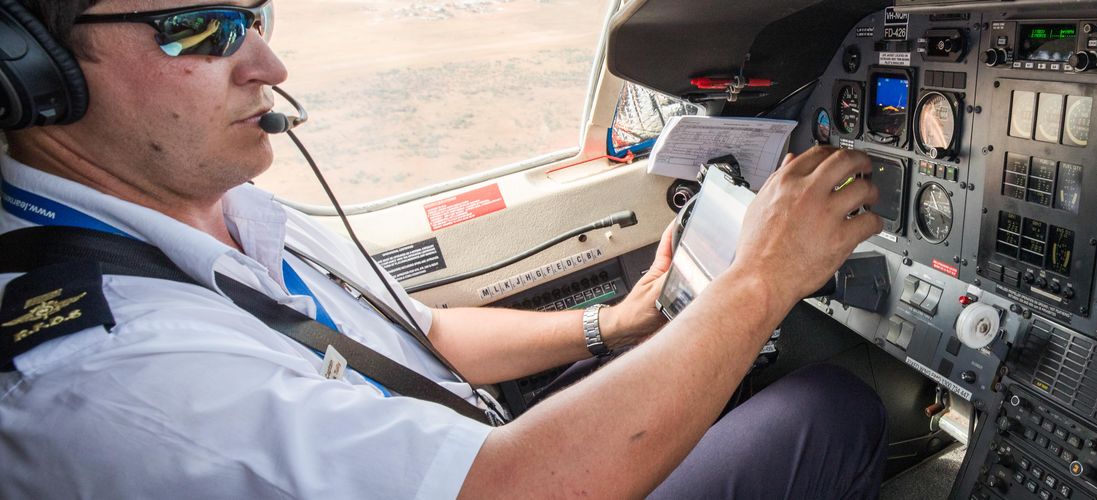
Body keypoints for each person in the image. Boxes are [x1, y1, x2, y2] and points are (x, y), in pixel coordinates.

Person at [0, 0, 888, 497]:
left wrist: (615, 324)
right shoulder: (106, 373)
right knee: (832, 408)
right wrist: (762, 280)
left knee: (716, 363)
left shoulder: (220, 204)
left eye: (253, 13)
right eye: (199, 28)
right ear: (34, 72)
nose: (269, 63)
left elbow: (425, 337)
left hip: (463, 449)